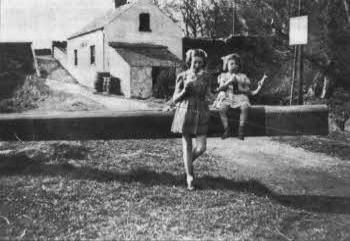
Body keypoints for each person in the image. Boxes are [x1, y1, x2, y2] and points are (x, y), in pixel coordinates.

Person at [171, 49, 214, 191]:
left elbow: (209, 95)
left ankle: (186, 162)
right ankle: (190, 177)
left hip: (201, 111)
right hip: (185, 111)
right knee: (187, 146)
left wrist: (217, 99)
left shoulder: (206, 77)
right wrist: (184, 91)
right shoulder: (182, 76)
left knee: (201, 147)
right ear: (189, 61)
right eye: (195, 62)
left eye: (200, 63)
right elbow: (174, 99)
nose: (197, 65)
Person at [212, 53, 267, 140]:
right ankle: (226, 129)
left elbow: (248, 91)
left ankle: (241, 129)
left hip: (240, 97)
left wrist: (256, 87)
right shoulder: (223, 76)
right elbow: (221, 88)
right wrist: (229, 81)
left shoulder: (243, 76)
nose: (234, 66)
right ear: (226, 65)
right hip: (227, 96)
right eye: (231, 64)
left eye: (236, 64)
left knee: (245, 107)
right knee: (222, 109)